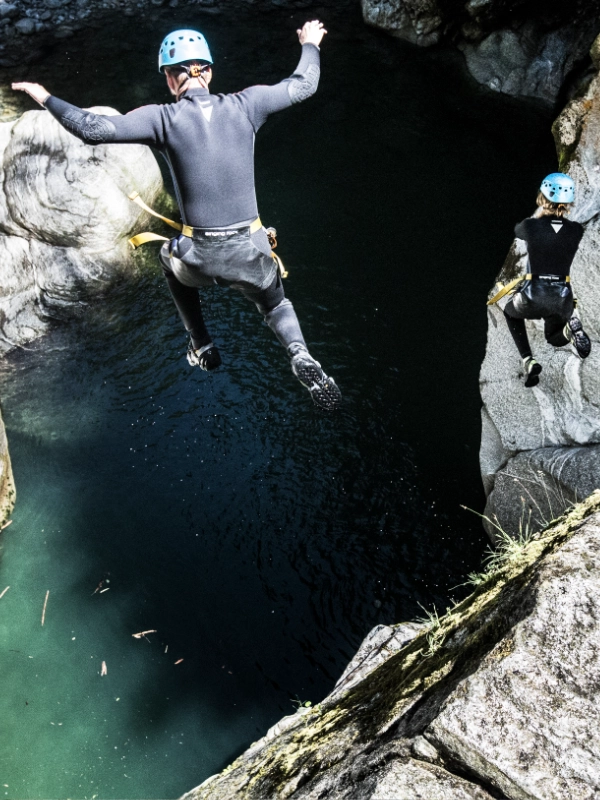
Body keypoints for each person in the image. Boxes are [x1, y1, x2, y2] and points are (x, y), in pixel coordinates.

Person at [12, 20, 343, 411]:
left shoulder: (161, 118)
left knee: (167, 258)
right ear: (210, 71)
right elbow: (305, 84)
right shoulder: (248, 104)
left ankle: (201, 343)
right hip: (250, 253)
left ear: (171, 80)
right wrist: (310, 44)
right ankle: (300, 354)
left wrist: (45, 96)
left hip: (197, 260)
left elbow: (93, 128)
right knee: (275, 305)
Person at [493, 173, 591, 388]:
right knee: (554, 337)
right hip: (562, 296)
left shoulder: (530, 226)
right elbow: (558, 230)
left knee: (510, 313)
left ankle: (528, 359)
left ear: (542, 197)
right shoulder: (576, 230)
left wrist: (542, 213)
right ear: (569, 202)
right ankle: (568, 330)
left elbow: (517, 230)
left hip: (533, 294)